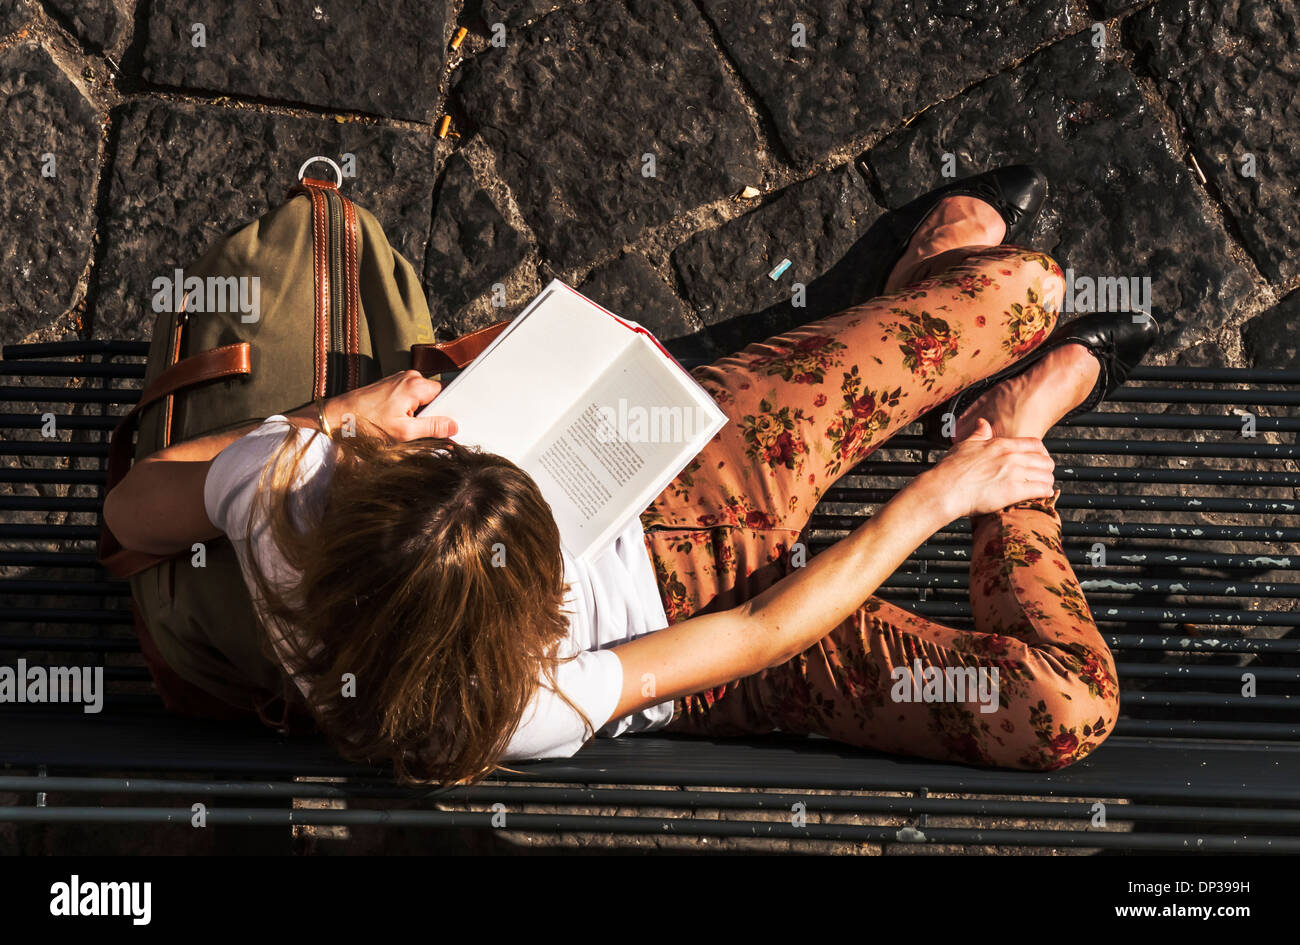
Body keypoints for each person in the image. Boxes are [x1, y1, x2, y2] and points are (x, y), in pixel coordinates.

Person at [104, 166, 1159, 784]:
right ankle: (1005, 428)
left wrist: (349, 411)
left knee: (1027, 293)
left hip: (696, 466)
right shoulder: (514, 702)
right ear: (531, 606)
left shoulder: (293, 486)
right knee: (1064, 710)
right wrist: (947, 494)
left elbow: (132, 508)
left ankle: (910, 294)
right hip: (719, 629)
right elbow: (757, 635)